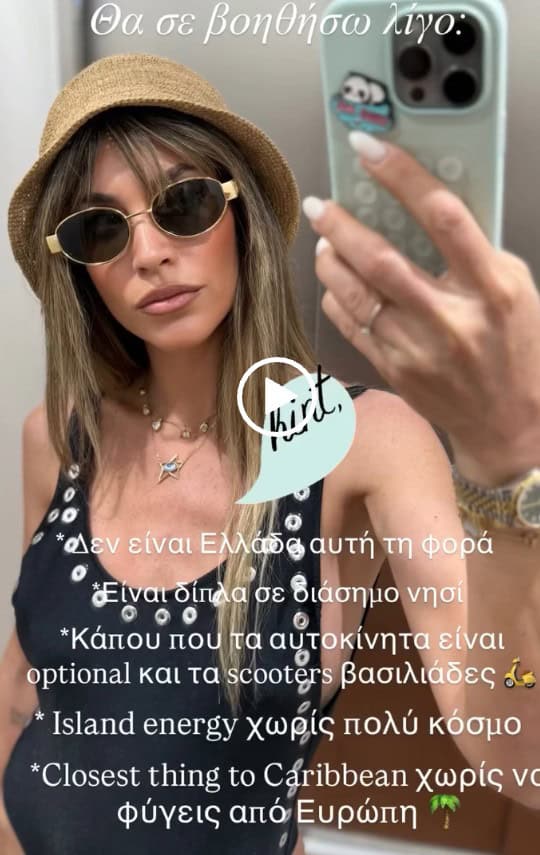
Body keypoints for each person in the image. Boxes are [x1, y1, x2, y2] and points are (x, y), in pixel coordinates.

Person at [1, 51, 540, 855]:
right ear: (80, 272)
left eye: (183, 203)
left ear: (241, 214)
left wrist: (507, 456)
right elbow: (26, 683)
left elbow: (519, 756)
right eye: (101, 228)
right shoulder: (57, 435)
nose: (147, 253)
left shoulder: (361, 438)